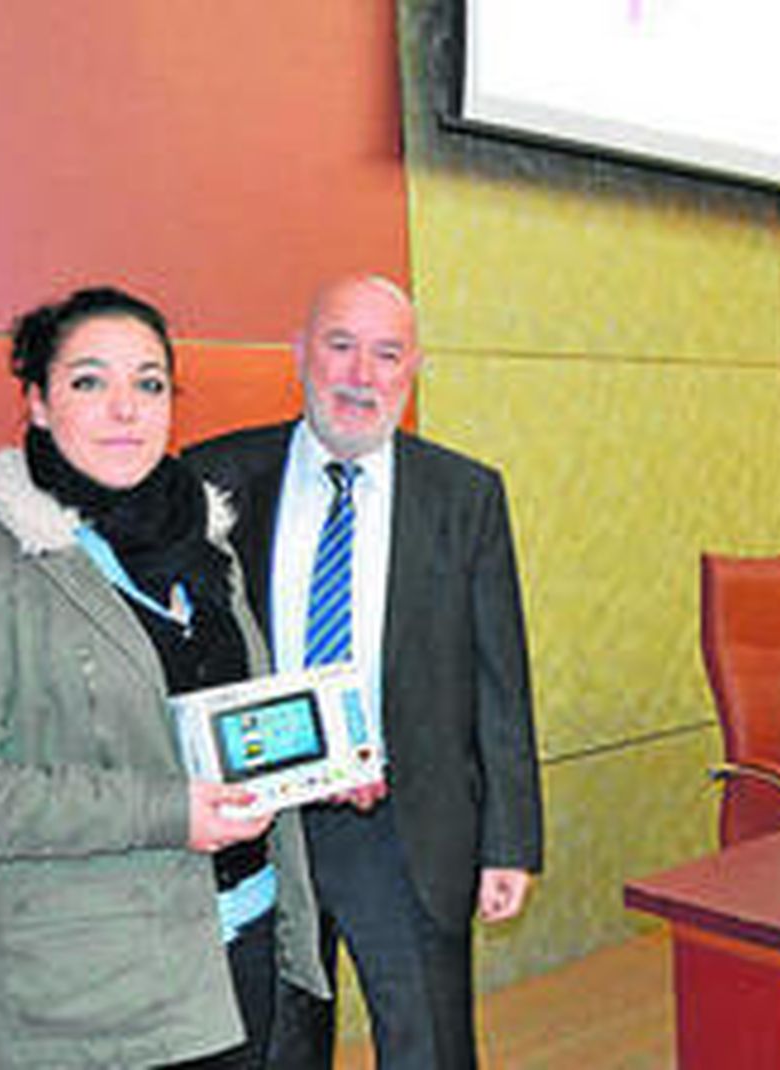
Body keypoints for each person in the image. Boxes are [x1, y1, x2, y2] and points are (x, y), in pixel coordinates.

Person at [0, 286, 327, 1068]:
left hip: (242, 954)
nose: (126, 408)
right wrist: (167, 812)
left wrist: (321, 759)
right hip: (90, 1004)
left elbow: (215, 737)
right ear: (39, 403)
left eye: (149, 383)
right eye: (90, 381)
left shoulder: (207, 555)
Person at [186, 274, 543, 1069]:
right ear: (300, 353)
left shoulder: (465, 494)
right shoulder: (214, 478)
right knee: (274, 1050)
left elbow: (500, 681)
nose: (361, 375)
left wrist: (510, 840)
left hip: (405, 832)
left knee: (428, 1051)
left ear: (414, 368)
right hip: (259, 830)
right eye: (340, 346)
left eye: (387, 354)